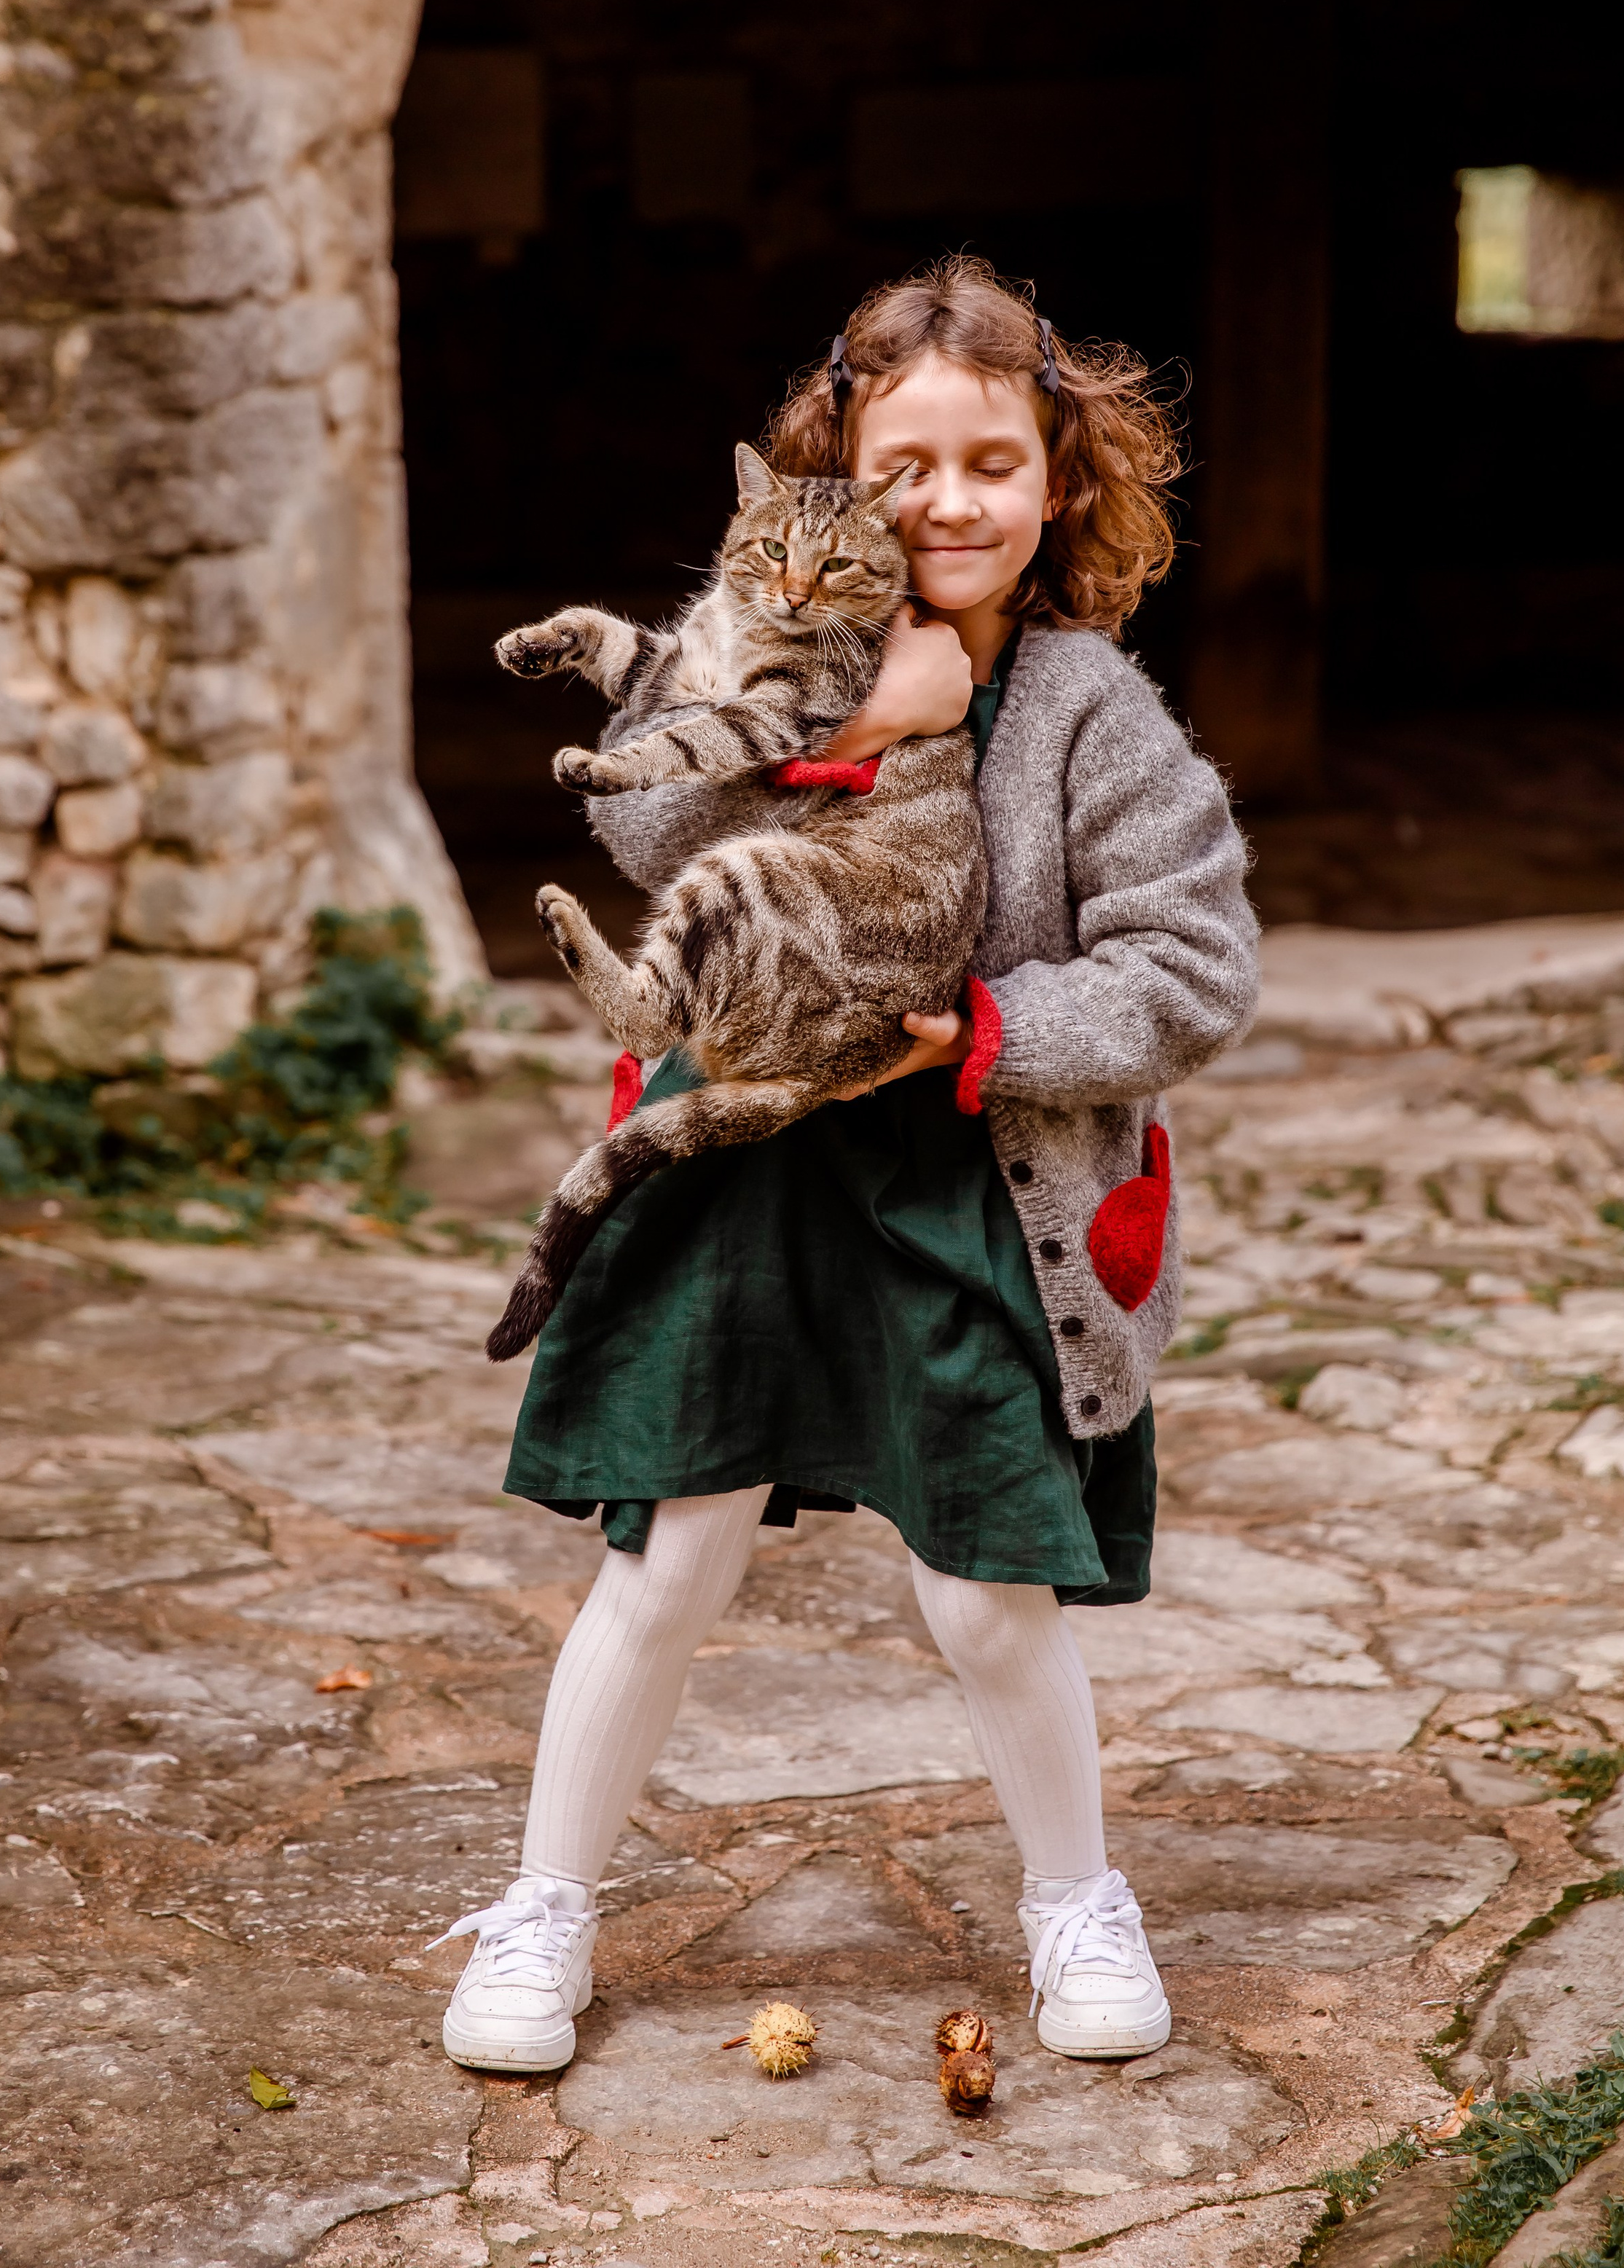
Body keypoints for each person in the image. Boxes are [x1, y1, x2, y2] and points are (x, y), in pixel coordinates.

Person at [433, 254, 1259, 2074]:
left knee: (980, 1583)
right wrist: (862, 732)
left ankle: (1073, 1899)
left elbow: (1194, 967)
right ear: (840, 463)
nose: (944, 502)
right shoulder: (761, 616)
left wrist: (986, 1032)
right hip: (743, 1156)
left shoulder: (1086, 715)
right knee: (673, 1543)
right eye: (904, 464)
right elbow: (640, 807)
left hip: (971, 1174)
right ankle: (544, 1905)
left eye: (989, 463)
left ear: (1056, 481)